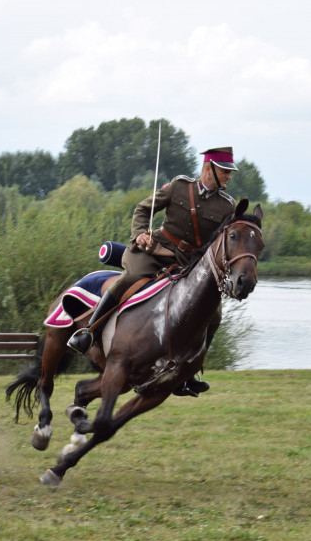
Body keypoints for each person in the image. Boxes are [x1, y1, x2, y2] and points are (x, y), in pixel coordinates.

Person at [67, 147, 240, 395]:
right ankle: (89, 332)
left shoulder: (227, 206)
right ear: (208, 168)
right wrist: (139, 234)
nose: (229, 177)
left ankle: (190, 371)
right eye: (225, 171)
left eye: (229, 172)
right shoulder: (180, 187)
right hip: (158, 250)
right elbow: (142, 209)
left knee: (215, 314)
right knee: (130, 278)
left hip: (191, 263)